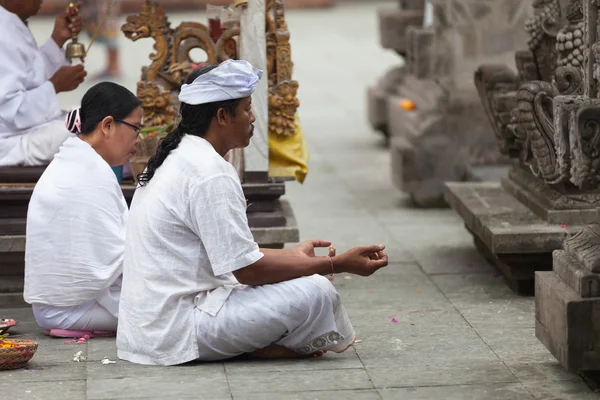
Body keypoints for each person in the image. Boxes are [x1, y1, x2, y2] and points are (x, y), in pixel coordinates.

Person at [117, 59, 389, 366]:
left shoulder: (182, 155)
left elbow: (230, 255)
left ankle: (255, 344)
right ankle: (253, 345)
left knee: (299, 280)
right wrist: (334, 264)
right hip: (178, 329)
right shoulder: (210, 172)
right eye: (246, 108)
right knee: (316, 291)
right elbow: (248, 271)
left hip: (146, 330)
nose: (253, 117)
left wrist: (295, 258)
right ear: (222, 116)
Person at [24, 82, 142, 338]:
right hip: (70, 308)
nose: (138, 139)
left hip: (57, 305)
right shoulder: (89, 171)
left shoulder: (74, 158)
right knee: (170, 310)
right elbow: (121, 254)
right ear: (108, 125)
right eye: (136, 128)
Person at [0, 0, 88, 167]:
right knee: (102, 124)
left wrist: (57, 39)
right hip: (10, 143)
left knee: (102, 112)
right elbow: (11, 113)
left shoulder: (11, 24)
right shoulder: (2, 32)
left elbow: (31, 76)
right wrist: (55, 85)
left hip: (25, 130)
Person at [82, 0, 121, 79]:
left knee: (110, 36)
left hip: (104, 11)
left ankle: (113, 68)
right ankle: (112, 67)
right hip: (97, 9)